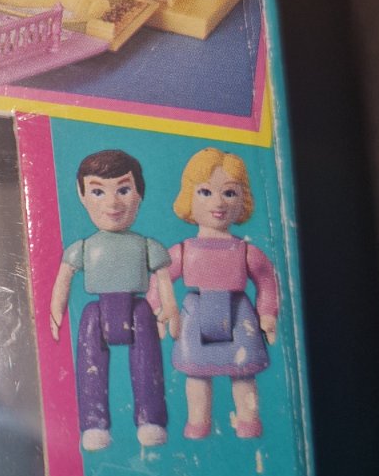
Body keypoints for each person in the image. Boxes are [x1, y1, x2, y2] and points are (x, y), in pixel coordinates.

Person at [49, 149, 180, 449]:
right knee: (90, 367)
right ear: (82, 195)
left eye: (123, 190)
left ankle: (151, 419)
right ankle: (93, 423)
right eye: (98, 191)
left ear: (139, 194)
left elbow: (163, 277)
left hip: (138, 311)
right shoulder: (82, 248)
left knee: (148, 365)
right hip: (96, 314)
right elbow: (63, 279)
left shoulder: (145, 246)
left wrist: (169, 307)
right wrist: (56, 310)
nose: (112, 204)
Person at [162, 148, 279, 439]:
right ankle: (198, 422)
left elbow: (266, 279)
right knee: (196, 373)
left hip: (240, 314)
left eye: (229, 193)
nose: (218, 203)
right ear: (189, 196)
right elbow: (161, 277)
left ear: (243, 199)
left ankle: (248, 421)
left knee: (244, 372)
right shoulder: (184, 251)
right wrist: (161, 308)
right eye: (205, 192)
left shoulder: (246, 251)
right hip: (195, 314)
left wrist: (267, 313)